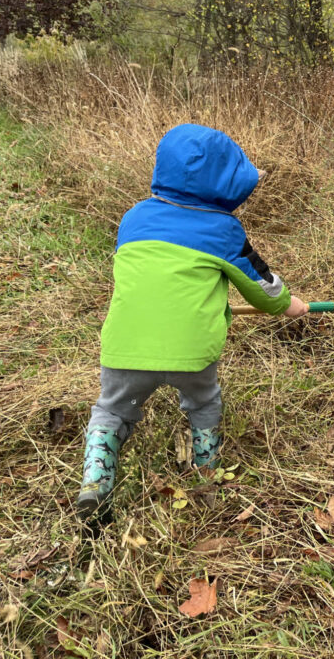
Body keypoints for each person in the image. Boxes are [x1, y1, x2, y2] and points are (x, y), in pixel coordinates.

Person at [75, 124, 309, 520]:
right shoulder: (223, 230)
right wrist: (291, 306)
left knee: (112, 409)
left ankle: (96, 479)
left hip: (124, 344)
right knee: (203, 401)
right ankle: (206, 473)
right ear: (225, 183)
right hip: (191, 350)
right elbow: (261, 286)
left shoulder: (132, 219)